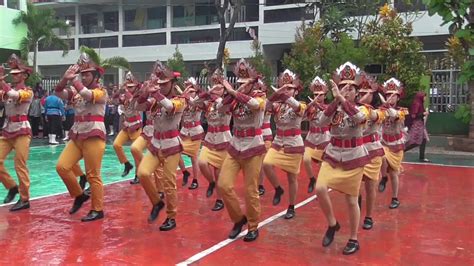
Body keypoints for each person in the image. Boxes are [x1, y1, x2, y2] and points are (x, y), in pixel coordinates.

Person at [314, 62, 371, 255]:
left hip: (354, 158)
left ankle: (353, 238)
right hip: (333, 155)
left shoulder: (364, 109)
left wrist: (342, 100)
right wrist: (335, 101)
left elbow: (359, 119)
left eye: (351, 89)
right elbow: (321, 121)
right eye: (343, 88)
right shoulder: (334, 108)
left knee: (351, 200)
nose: (347, 91)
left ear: (357, 92)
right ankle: (332, 223)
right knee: (319, 188)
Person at [55, 52, 108, 222]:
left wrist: (74, 80)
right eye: (82, 74)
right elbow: (58, 92)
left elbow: (87, 95)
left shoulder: (101, 91)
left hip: (94, 134)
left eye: (87, 74)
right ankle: (79, 194)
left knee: (93, 175)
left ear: (96, 76)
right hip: (77, 134)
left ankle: (97, 209)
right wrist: (65, 78)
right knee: (62, 167)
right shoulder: (76, 91)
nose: (84, 77)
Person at [217, 59, 266, 242]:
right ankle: (238, 219)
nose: (241, 86)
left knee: (250, 190)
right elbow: (220, 109)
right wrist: (229, 95)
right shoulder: (235, 99)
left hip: (253, 146)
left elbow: (255, 105)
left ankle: (253, 226)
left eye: (245, 83)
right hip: (235, 144)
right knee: (223, 185)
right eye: (239, 83)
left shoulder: (260, 95)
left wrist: (234, 93)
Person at [135, 61, 185, 231]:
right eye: (160, 84)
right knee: (142, 173)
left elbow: (170, 107)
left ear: (173, 84)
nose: (162, 87)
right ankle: (157, 202)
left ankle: (171, 217)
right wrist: (143, 93)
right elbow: (138, 107)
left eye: (165, 84)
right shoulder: (156, 101)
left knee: (169, 182)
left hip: (171, 144)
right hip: (156, 143)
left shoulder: (180, 100)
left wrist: (155, 93)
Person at [263, 69, 306, 219]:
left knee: (291, 177)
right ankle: (278, 188)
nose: (287, 91)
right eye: (285, 87)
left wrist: (284, 96)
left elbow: (297, 108)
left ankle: (291, 206)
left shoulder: (301, 104)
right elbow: (266, 106)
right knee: (267, 163)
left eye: (290, 88)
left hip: (293, 143)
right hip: (278, 141)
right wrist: (275, 95)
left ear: (296, 91)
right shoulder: (278, 105)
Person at [0, 54, 34, 211]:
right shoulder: (7, 90)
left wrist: (1, 81)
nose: (14, 76)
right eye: (12, 73)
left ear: (25, 75)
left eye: (17, 73)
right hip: (8, 130)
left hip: (21, 130)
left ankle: (25, 198)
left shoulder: (28, 91)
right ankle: (12, 186)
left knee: (20, 164)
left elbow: (15, 95)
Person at [195, 69, 232, 211]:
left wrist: (216, 95)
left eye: (219, 87)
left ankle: (219, 199)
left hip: (223, 139)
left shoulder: (227, 102)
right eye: (214, 85)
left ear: (224, 89)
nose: (216, 90)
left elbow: (223, 106)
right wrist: (207, 93)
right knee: (202, 162)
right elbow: (194, 103)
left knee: (218, 172)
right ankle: (210, 183)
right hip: (210, 138)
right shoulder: (208, 103)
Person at [357, 74, 386, 230]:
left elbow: (370, 114)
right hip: (357, 151)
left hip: (372, 153)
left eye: (366, 93)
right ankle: (358, 203)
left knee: (370, 186)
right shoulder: (353, 110)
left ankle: (369, 216)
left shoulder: (378, 112)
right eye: (360, 93)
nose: (362, 96)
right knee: (354, 186)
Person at [378, 78, 409, 209]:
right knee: (381, 156)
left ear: (397, 98)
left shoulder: (403, 111)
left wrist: (387, 106)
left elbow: (395, 115)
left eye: (392, 95)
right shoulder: (381, 110)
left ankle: (395, 198)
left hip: (396, 145)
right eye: (387, 95)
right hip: (384, 142)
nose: (390, 98)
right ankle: (384, 177)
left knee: (394, 173)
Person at [112, 72, 143, 180]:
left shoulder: (137, 95)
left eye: (131, 87)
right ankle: (126, 164)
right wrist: (121, 88)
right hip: (126, 125)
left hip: (135, 126)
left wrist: (126, 90)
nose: (129, 88)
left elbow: (132, 99)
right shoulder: (124, 94)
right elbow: (114, 97)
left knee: (135, 151)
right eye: (128, 87)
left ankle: (138, 174)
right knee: (116, 144)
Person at [303, 76, 330, 194]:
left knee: (323, 165)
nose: (317, 97)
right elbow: (301, 114)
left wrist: (318, 105)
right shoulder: (310, 107)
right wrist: (310, 105)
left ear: (325, 95)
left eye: (320, 95)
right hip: (312, 136)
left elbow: (328, 113)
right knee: (306, 159)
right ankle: (312, 179)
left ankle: (321, 184)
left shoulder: (328, 107)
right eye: (315, 95)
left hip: (324, 136)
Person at [178, 77, 205, 190]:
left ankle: (195, 180)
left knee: (194, 158)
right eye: (187, 87)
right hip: (185, 131)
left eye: (191, 90)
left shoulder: (199, 100)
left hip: (195, 132)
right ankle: (185, 172)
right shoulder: (184, 99)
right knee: (175, 150)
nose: (189, 91)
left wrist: (184, 94)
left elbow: (194, 104)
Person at [404, 91, 430, 162]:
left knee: (423, 140)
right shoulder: (417, 103)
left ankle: (422, 157)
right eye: (424, 96)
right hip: (417, 124)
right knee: (415, 141)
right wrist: (424, 113)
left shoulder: (420, 103)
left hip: (421, 124)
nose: (425, 98)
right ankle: (402, 150)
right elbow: (414, 115)